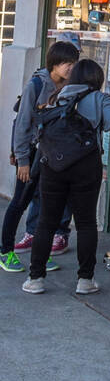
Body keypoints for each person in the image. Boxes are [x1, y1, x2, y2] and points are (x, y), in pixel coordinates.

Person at [22, 58, 110, 295]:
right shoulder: (99, 98)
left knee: (46, 221)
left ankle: (35, 279)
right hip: (86, 165)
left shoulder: (56, 96)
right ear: (97, 79)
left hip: (53, 165)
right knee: (86, 223)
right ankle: (85, 280)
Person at [0, 41, 79, 273]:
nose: (70, 68)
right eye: (66, 63)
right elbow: (23, 123)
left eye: (73, 63)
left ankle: (40, 256)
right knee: (20, 202)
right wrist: (22, 158)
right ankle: (5, 252)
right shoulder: (36, 84)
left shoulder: (68, 86)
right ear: (54, 63)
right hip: (32, 152)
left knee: (47, 203)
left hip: (52, 153)